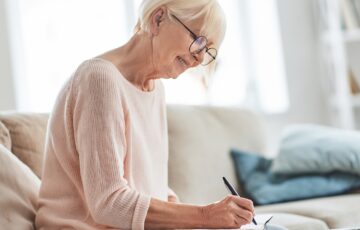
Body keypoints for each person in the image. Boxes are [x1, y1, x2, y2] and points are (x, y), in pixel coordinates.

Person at [35, 0, 255, 229]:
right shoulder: (99, 79)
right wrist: (204, 216)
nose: (199, 58)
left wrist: (199, 219)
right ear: (157, 19)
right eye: (197, 39)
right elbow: (109, 203)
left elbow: (154, 190)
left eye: (207, 50)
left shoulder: (156, 89)